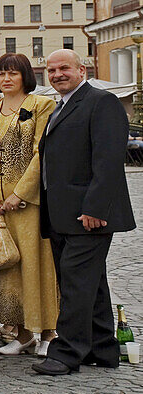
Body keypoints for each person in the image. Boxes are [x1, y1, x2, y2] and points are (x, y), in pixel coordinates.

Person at [34, 50, 136, 376]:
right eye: (51, 70)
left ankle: (66, 353)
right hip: (62, 214)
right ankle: (102, 349)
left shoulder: (101, 102)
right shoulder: (60, 106)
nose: (57, 74)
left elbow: (108, 160)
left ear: (82, 69)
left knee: (76, 284)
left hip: (87, 214)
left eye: (64, 68)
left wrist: (95, 207)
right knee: (91, 283)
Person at [0, 53, 58, 357]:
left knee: (33, 266)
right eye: (1, 74)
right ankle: (21, 334)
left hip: (25, 204)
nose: (6, 79)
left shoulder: (41, 106)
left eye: (13, 73)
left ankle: (48, 331)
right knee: (4, 268)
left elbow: (40, 154)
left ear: (25, 77)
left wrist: (20, 193)